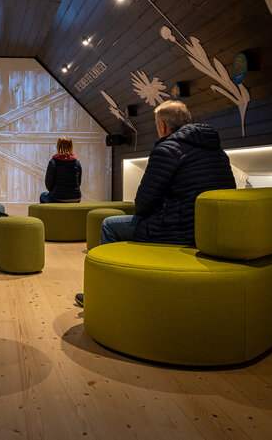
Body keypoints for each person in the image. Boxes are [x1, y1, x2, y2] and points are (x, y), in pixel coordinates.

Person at [75, 100, 235, 306]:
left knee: (109, 225)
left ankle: (102, 294)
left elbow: (143, 203)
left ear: (162, 126)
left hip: (177, 230)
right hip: (209, 231)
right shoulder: (216, 150)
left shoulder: (166, 149)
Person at [40, 136, 82, 203]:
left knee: (42, 196)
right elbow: (78, 183)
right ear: (71, 146)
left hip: (58, 198)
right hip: (76, 198)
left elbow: (48, 184)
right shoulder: (76, 162)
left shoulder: (53, 162)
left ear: (58, 146)